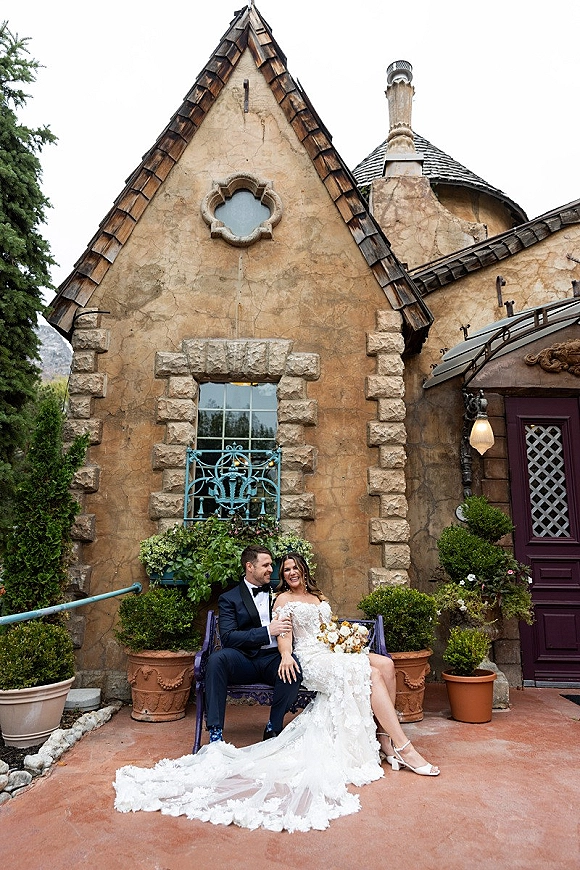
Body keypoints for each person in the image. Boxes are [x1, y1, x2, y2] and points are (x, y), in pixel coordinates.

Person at [114, 552, 439, 832]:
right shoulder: (281, 599)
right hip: (309, 658)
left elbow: (328, 628)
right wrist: (286, 655)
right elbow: (283, 634)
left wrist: (346, 638)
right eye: (283, 570)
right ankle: (402, 746)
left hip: (330, 651)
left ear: (304, 570)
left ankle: (385, 738)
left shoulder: (319, 597)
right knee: (369, 674)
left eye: (292, 567)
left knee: (385, 664)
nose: (288, 572)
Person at [204, 544, 303, 742]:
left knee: (293, 670)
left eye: (271, 565)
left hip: (273, 658)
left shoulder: (279, 594)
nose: (270, 569)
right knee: (216, 660)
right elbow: (229, 637)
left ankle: (273, 727)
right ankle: (215, 732)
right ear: (250, 567)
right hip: (244, 659)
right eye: (265, 565)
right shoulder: (229, 598)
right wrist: (267, 632)